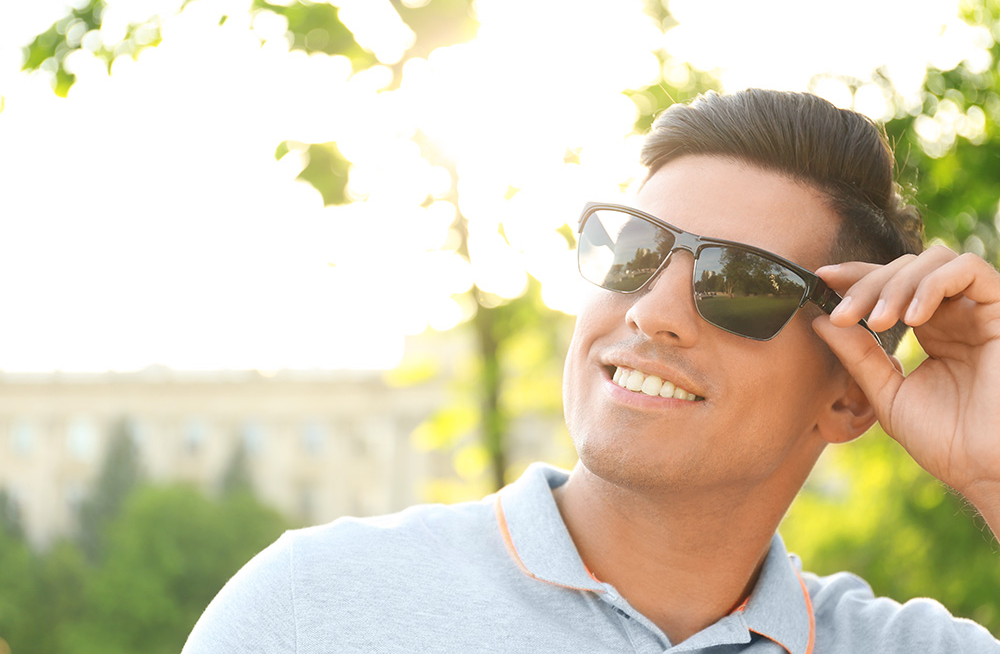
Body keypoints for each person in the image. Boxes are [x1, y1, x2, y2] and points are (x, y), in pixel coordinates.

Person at [182, 89, 1000, 653]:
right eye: (636, 250)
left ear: (850, 392)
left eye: (739, 282)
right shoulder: (314, 608)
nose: (651, 310)